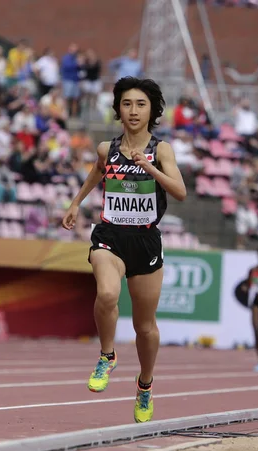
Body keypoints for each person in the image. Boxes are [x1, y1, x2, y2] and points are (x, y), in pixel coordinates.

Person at [61, 76, 187, 423]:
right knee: (106, 293)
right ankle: (107, 354)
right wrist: (75, 203)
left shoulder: (161, 151)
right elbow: (96, 172)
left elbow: (180, 191)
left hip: (145, 240)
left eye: (141, 104)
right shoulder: (107, 148)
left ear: (152, 111)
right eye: (127, 104)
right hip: (111, 234)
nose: (133, 111)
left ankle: (145, 384)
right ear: (118, 109)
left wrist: (149, 168)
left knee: (145, 327)